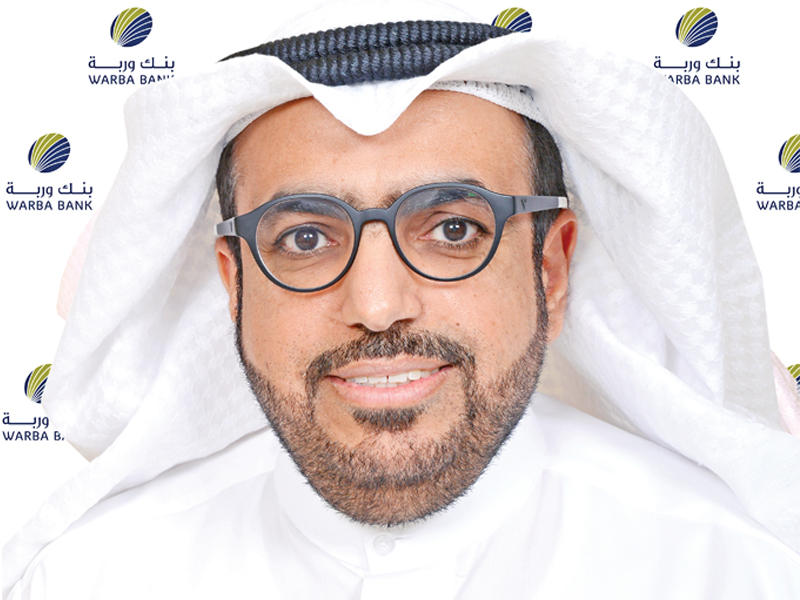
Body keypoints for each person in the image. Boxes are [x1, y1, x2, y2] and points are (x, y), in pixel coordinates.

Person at [4, 2, 800, 598]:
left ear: (551, 271)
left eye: (453, 229)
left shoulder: (735, 572)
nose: (379, 305)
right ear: (234, 283)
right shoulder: (92, 579)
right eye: (306, 238)